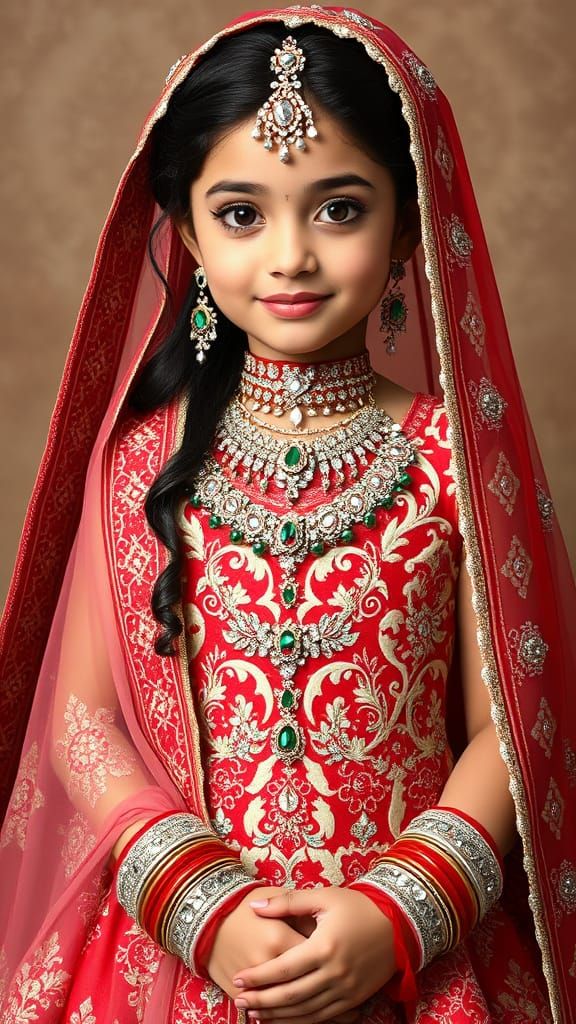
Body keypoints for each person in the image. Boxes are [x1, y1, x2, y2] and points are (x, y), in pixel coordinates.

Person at [0, 5, 574, 1022]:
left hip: (411, 955)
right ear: (185, 231)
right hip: (183, 954)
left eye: (338, 209)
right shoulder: (144, 460)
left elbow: (509, 726)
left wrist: (399, 911)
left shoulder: (452, 458)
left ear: (406, 225)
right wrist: (205, 910)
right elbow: (82, 724)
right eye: (242, 213)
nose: (291, 256)